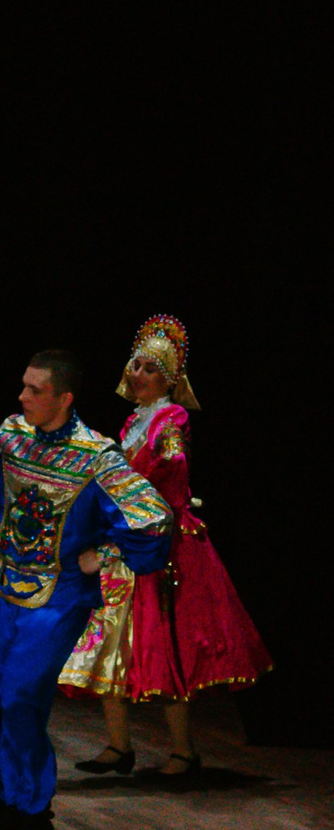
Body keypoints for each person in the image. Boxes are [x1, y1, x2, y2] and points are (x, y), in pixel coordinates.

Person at [0, 350, 172, 830]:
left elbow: (155, 517)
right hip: (9, 584)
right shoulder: (11, 435)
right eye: (24, 386)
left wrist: (107, 552)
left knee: (19, 696)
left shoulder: (96, 455)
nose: (23, 397)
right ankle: (5, 806)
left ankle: (35, 813)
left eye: (35, 390)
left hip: (61, 594)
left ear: (64, 398)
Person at [59, 315, 272, 780]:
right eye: (135, 365)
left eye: (150, 369)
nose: (138, 375)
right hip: (127, 539)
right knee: (106, 643)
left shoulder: (170, 419)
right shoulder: (134, 420)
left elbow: (170, 469)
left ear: (169, 380)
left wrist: (155, 473)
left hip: (162, 547)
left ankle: (182, 749)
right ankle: (118, 745)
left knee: (163, 646)